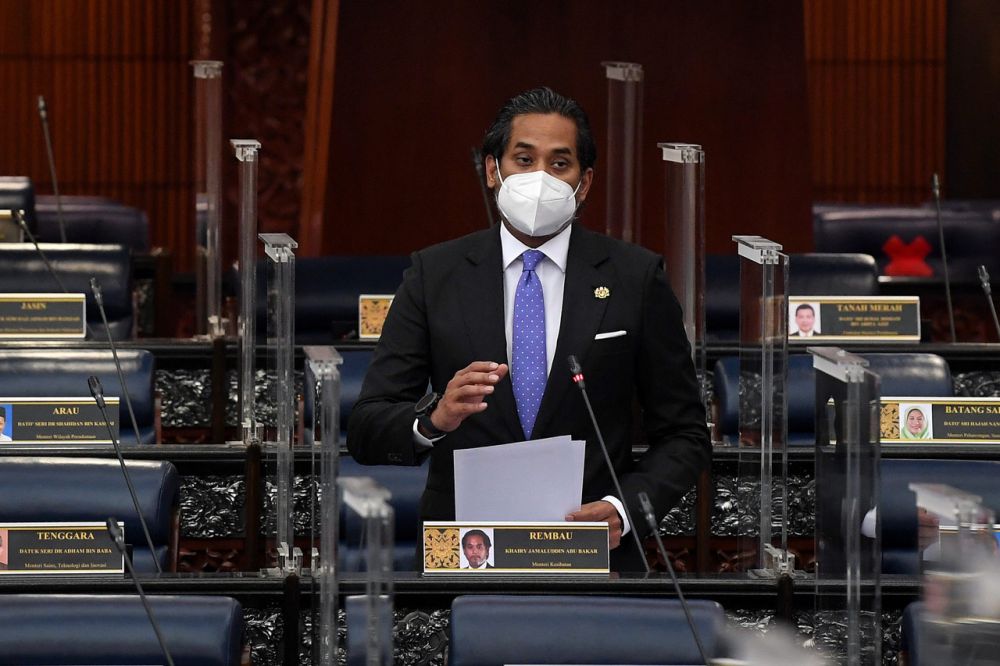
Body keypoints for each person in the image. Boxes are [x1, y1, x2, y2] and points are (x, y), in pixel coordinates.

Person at [347, 87, 710, 571]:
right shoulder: (436, 274)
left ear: (584, 184)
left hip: (591, 553)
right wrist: (434, 419)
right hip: (464, 556)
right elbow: (367, 427)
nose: (540, 176)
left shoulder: (634, 278)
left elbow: (685, 434)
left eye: (559, 164)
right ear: (493, 170)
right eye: (524, 158)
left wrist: (624, 509)